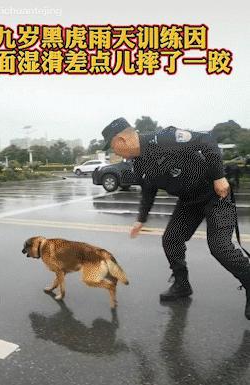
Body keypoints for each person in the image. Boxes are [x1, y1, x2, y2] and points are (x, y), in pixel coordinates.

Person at [101, 117, 250, 319]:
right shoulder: (138, 163)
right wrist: (141, 219)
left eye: (112, 147)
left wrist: (219, 176)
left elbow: (206, 140)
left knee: (220, 248)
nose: (114, 152)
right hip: (189, 201)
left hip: (216, 195)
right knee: (171, 240)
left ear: (121, 140)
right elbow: (148, 189)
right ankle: (182, 285)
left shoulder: (163, 138)